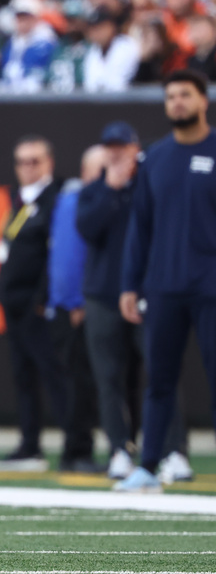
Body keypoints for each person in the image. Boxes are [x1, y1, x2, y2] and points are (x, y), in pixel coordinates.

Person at [116, 68, 216, 492]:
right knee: (159, 381)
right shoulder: (154, 157)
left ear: (202, 101)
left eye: (185, 95)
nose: (177, 102)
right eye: (171, 95)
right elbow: (140, 227)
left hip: (212, 287)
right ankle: (148, 468)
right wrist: (129, 284)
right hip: (163, 287)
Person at [77, 122, 193, 481]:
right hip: (103, 297)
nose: (116, 153)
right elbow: (87, 230)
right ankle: (119, 448)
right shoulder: (94, 190)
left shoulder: (153, 184)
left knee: (161, 373)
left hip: (149, 293)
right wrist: (112, 189)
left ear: (135, 148)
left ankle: (174, 451)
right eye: (109, 146)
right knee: (108, 377)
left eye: (122, 146)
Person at [0, 135, 70, 471]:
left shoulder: (58, 199)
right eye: (22, 162)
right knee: (23, 376)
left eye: (34, 161)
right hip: (14, 303)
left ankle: (75, 444)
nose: (27, 168)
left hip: (39, 304)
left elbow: (58, 253)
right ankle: (30, 445)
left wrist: (41, 298)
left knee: (55, 374)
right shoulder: (19, 199)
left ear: (49, 162)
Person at [47, 145, 107, 473]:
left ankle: (79, 449)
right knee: (80, 383)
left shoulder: (76, 199)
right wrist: (75, 301)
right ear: (86, 172)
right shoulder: (77, 200)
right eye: (99, 169)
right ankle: (77, 452)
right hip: (77, 308)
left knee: (81, 381)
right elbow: (69, 259)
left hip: (72, 304)